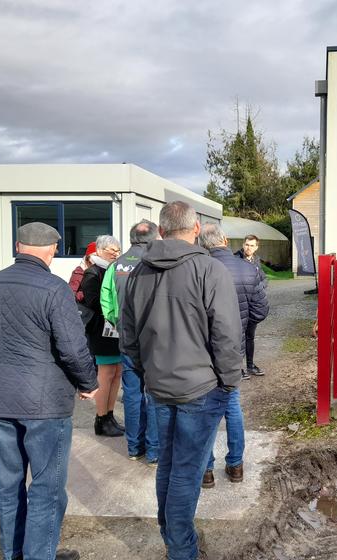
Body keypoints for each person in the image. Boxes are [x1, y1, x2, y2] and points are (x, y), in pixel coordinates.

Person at [120, 201, 242, 560]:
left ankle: (174, 536)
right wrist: (229, 381)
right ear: (195, 230)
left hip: (161, 385)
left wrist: (146, 373)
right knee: (185, 472)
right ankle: (181, 548)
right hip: (200, 389)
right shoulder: (209, 269)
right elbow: (226, 334)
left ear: (161, 230)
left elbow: (129, 337)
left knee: (170, 467)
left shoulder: (137, 273)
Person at [0, 222, 98, 560]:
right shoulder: (55, 289)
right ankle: (39, 554)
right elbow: (72, 348)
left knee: (8, 483)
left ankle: (16, 553)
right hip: (44, 404)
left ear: (18, 245)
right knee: (47, 487)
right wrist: (88, 383)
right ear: (53, 250)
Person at [198, 223, 268, 488]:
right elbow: (261, 310)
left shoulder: (199, 269)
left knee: (204, 411)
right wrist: (242, 325)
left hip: (203, 351)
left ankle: (206, 470)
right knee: (232, 405)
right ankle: (236, 465)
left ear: (203, 244)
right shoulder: (248, 269)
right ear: (225, 240)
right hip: (234, 349)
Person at [100, 220, 160, 464]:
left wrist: (119, 323)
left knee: (133, 394)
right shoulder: (157, 264)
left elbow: (107, 304)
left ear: (131, 237)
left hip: (126, 339)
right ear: (155, 238)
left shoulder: (116, 266)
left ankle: (135, 447)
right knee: (155, 394)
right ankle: (155, 450)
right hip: (154, 341)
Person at [81, 235, 124, 437]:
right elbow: (93, 302)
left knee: (117, 374)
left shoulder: (115, 271)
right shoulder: (92, 273)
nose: (116, 254)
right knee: (106, 374)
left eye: (118, 251)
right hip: (101, 331)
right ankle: (101, 418)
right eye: (111, 251)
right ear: (98, 251)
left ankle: (110, 415)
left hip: (115, 330)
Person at [235, 234, 268, 377]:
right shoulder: (235, 259)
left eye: (252, 245)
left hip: (252, 305)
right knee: (238, 337)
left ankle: (250, 366)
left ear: (256, 247)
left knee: (250, 336)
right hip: (238, 304)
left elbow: (263, 278)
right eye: (247, 244)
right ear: (243, 244)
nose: (249, 248)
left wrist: (259, 289)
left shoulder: (256, 260)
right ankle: (238, 369)